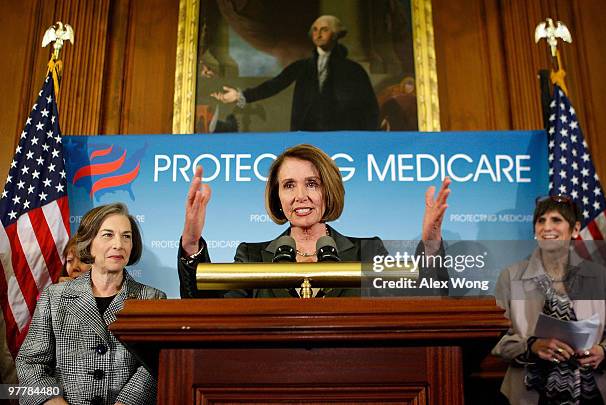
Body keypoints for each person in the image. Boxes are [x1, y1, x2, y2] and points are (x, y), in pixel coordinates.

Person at [178, 143, 450, 298]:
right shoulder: (251, 256)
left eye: (312, 183)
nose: (300, 196)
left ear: (328, 190)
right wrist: (191, 244)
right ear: (278, 196)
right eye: (288, 185)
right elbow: (210, 314)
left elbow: (423, 300)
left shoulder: (367, 250)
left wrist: (430, 245)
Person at [16, 203, 166, 405]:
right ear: (88, 243)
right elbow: (30, 362)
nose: (119, 244)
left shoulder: (152, 299)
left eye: (126, 236)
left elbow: (155, 365)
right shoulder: (55, 297)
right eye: (108, 235)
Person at [493, 196, 606, 404]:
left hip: (590, 394)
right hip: (529, 395)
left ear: (575, 229)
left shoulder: (600, 276)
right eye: (541, 220)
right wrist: (532, 346)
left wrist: (603, 351)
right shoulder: (510, 276)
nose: (547, 227)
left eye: (556, 220)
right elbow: (496, 339)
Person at [211, 15, 379, 131]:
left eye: (324, 29)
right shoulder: (303, 66)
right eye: (315, 29)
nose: (318, 34)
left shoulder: (353, 70)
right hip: (307, 135)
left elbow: (369, 106)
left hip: (344, 137)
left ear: (336, 34)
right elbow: (274, 85)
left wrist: (369, 138)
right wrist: (241, 96)